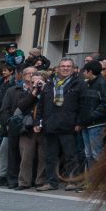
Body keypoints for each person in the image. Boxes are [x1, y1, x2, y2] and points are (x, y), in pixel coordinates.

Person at [39, 59, 84, 189]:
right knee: (50, 157)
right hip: (50, 125)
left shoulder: (79, 83)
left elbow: (84, 104)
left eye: (68, 66)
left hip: (69, 125)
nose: (65, 68)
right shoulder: (49, 84)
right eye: (63, 66)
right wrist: (39, 121)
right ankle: (51, 182)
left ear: (74, 68)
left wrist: (79, 122)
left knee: (71, 156)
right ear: (58, 68)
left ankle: (72, 181)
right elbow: (41, 104)